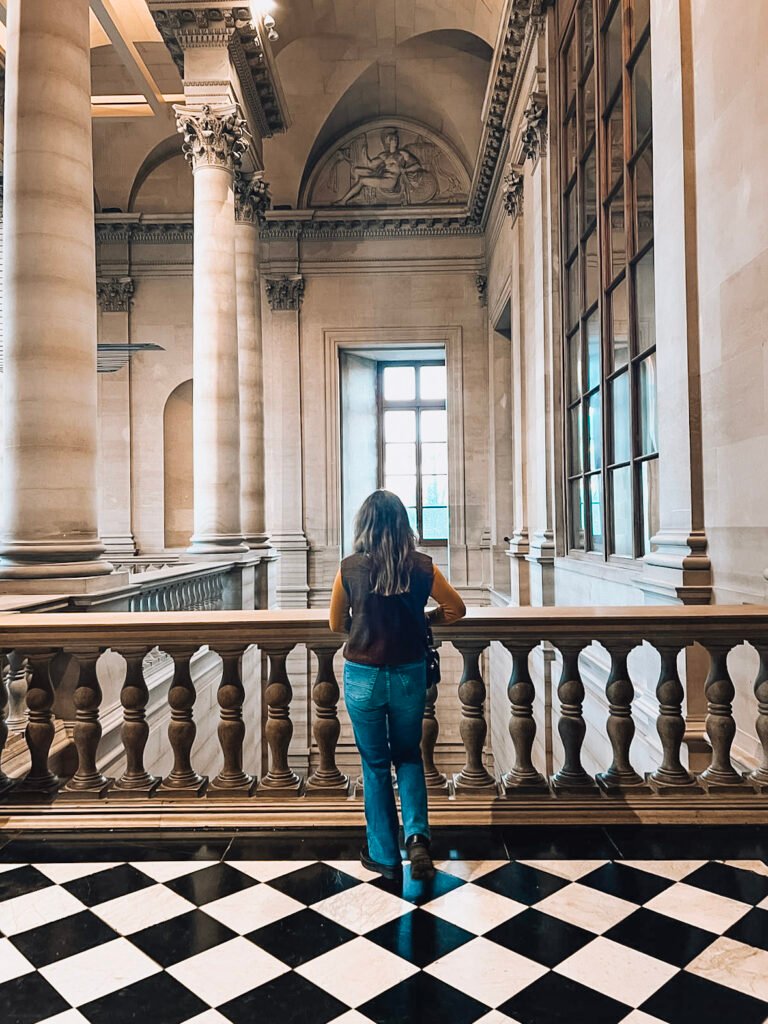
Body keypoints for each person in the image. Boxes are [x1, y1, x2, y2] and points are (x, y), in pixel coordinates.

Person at [329, 490, 466, 881]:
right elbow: (457, 608)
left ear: (364, 525)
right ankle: (418, 838)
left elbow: (335, 623)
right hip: (409, 674)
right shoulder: (422, 566)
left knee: (374, 764)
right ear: (403, 525)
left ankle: (383, 854)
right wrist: (425, 620)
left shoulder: (350, 568)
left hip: (364, 677)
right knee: (409, 756)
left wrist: (360, 622)